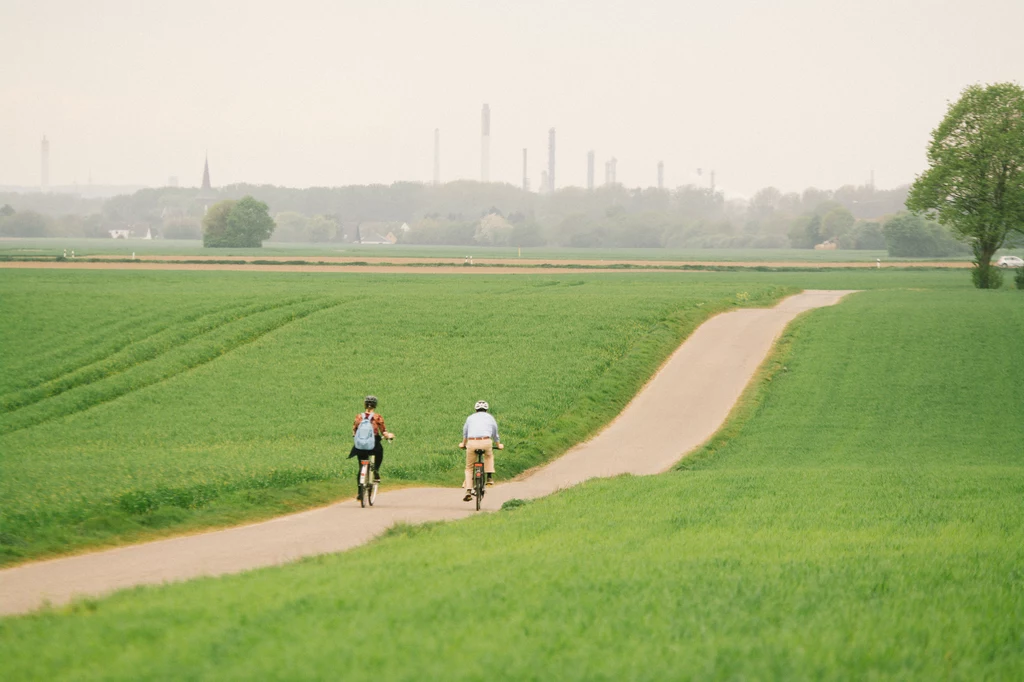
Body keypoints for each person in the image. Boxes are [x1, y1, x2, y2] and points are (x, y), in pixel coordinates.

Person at [458, 400, 503, 502]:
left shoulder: (470, 418)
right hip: (486, 441)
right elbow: (495, 433)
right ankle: (489, 477)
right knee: (489, 456)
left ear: (475, 409)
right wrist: (498, 445)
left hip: (472, 443)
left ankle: (468, 490)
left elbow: (465, 433)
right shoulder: (490, 418)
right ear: (486, 410)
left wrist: (463, 444)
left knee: (469, 467)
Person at [348, 395, 394, 492]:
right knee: (380, 453)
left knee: (361, 466)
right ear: (375, 405)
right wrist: (389, 436)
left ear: (365, 404)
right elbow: (383, 431)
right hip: (373, 445)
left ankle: (360, 492)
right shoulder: (377, 417)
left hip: (360, 446)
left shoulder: (359, 416)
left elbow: (354, 430)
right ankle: (375, 469)